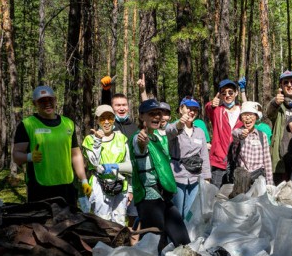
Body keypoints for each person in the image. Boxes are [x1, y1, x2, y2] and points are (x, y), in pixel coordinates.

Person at [13, 86, 91, 207]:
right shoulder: (27, 125)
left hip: (66, 185)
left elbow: (75, 155)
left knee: (70, 223)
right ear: (35, 103)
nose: (47, 104)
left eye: (50, 100)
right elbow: (16, 156)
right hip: (39, 187)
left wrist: (84, 180)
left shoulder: (68, 123)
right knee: (41, 225)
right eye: (42, 101)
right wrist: (29, 157)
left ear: (55, 100)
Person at [130, 99, 190, 247]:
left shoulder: (157, 136)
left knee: (182, 240)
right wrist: (142, 143)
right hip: (148, 198)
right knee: (155, 242)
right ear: (141, 117)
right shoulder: (138, 137)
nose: (156, 117)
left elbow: (173, 130)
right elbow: (140, 148)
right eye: (151, 114)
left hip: (164, 196)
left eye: (158, 113)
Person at [82, 105, 132, 224]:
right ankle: (103, 243)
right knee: (102, 221)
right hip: (100, 186)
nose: (106, 122)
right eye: (102, 118)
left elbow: (129, 163)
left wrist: (130, 189)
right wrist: (97, 142)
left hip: (121, 186)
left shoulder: (121, 138)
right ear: (97, 120)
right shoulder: (89, 140)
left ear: (114, 119)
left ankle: (119, 243)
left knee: (119, 221)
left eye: (109, 118)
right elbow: (95, 163)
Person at [168, 98, 210, 222]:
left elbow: (204, 155)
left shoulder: (200, 132)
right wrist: (179, 124)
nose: (192, 112)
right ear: (181, 109)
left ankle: (188, 237)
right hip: (178, 176)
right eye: (189, 109)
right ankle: (174, 240)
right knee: (177, 211)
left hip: (195, 177)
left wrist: (207, 177)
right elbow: (170, 131)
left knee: (190, 212)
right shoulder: (174, 128)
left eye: (195, 110)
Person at [206, 78, 245, 185]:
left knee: (236, 198)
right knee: (216, 197)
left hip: (238, 162)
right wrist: (211, 104)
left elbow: (250, 112)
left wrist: (243, 91)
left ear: (236, 93)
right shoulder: (217, 111)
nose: (227, 95)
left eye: (230, 92)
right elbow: (208, 108)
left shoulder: (242, 111)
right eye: (223, 93)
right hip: (219, 162)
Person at [267, 70, 292, 183]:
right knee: (279, 192)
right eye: (286, 82)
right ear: (281, 86)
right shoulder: (278, 104)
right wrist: (275, 102)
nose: (289, 85)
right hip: (280, 155)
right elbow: (269, 114)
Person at [226, 101, 274, 185]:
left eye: (251, 115)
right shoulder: (238, 132)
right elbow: (235, 135)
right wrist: (241, 135)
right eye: (245, 115)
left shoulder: (262, 136)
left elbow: (267, 161)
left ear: (256, 117)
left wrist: (269, 183)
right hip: (242, 178)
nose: (248, 118)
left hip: (259, 177)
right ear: (241, 118)